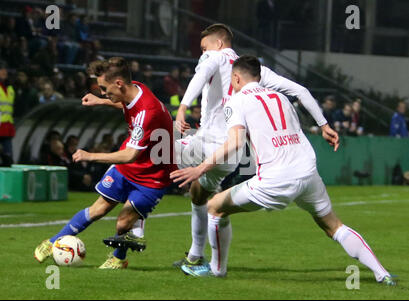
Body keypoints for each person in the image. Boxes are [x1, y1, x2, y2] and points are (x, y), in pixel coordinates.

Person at [171, 55, 396, 286]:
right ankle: (382, 273)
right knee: (334, 226)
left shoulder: (236, 103)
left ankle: (217, 270)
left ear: (236, 78)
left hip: (275, 178)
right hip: (308, 172)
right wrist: (324, 125)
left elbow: (235, 144)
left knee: (214, 208)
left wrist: (199, 168)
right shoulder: (280, 97)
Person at [172, 24, 333, 270]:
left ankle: (134, 230)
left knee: (149, 152)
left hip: (206, 144)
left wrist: (182, 107)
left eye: (204, 48)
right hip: (230, 155)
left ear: (218, 44)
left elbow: (200, 76)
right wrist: (323, 124)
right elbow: (300, 90)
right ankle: (196, 255)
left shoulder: (214, 56)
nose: (201, 54)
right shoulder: (256, 72)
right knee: (201, 195)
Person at [34, 57, 175, 269]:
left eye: (103, 88)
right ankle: (53, 242)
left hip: (153, 177)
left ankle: (119, 258)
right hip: (128, 169)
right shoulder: (135, 88)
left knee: (122, 223)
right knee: (97, 209)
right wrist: (100, 101)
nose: (102, 92)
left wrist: (90, 155)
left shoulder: (148, 113)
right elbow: (122, 102)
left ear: (118, 83)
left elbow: (130, 155)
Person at [0, 61, 15, 161]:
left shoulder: (10, 89)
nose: (4, 71)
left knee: (8, 159)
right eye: (1, 69)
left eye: (5, 70)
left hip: (7, 128)